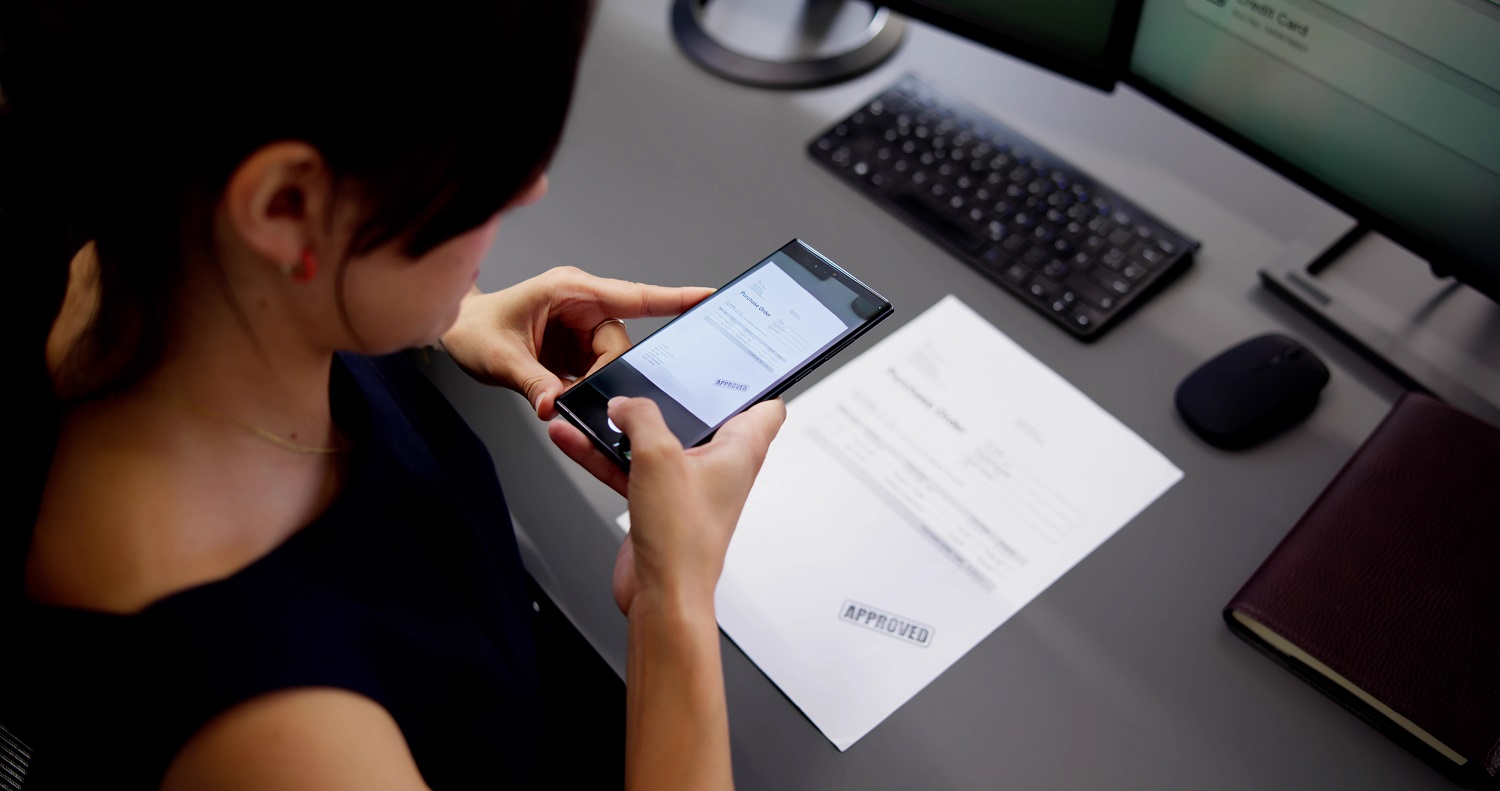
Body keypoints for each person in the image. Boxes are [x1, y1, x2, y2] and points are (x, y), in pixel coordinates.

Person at [0, 1, 784, 788]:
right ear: (283, 206)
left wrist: (443, 315)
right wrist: (671, 600)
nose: (532, 188)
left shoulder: (133, 235)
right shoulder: (277, 740)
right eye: (493, 157)